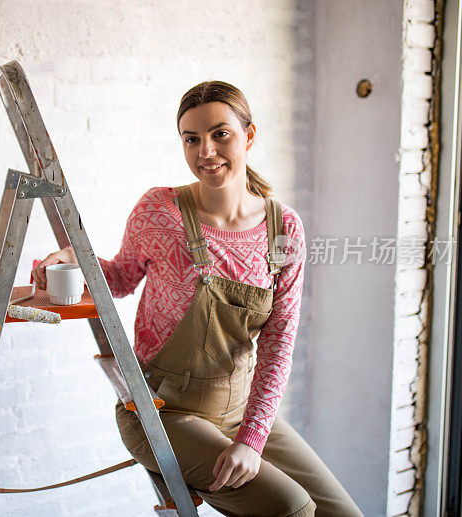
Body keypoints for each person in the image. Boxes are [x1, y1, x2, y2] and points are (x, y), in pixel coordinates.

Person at [31, 81, 362, 516]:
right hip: (163, 413)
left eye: (220, 133)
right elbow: (121, 277)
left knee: (343, 513)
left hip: (241, 411)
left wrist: (251, 439)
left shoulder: (284, 230)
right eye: (192, 139)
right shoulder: (159, 210)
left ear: (250, 135)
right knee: (292, 508)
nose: (205, 151)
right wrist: (72, 259)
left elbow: (279, 343)